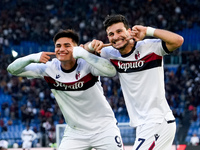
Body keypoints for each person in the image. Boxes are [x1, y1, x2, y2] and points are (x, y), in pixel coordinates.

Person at [7, 29, 124, 150]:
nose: (62, 49)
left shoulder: (87, 64)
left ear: (76, 48)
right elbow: (12, 69)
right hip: (75, 132)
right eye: (58, 46)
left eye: (67, 45)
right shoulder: (49, 68)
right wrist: (32, 57)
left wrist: (84, 54)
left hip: (104, 128)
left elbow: (111, 71)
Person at [85, 14, 184, 150]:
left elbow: (178, 40)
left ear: (129, 31)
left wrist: (148, 31)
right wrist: (91, 45)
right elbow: (81, 51)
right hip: (142, 125)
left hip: (158, 121)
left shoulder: (150, 47)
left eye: (119, 31)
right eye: (111, 34)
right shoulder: (109, 53)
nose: (115, 36)